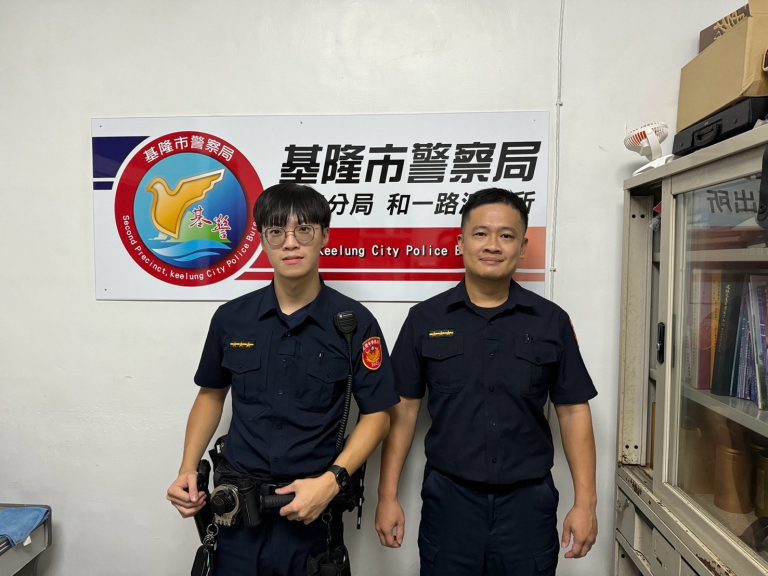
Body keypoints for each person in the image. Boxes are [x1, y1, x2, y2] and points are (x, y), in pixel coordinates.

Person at [167, 182, 399, 576]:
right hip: (238, 517)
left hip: (313, 516)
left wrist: (332, 481)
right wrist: (188, 468)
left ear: (324, 236)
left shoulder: (353, 323)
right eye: (277, 232)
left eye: (304, 230)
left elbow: (378, 415)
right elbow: (211, 395)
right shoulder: (232, 318)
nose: (290, 243)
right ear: (262, 240)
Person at [375, 188, 598, 575]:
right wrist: (386, 495)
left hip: (527, 507)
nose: (493, 245)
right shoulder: (425, 319)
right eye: (480, 234)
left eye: (506, 235)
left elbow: (573, 411)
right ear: (461, 242)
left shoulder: (551, 322)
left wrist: (586, 504)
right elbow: (404, 411)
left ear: (522, 247)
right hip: (449, 504)